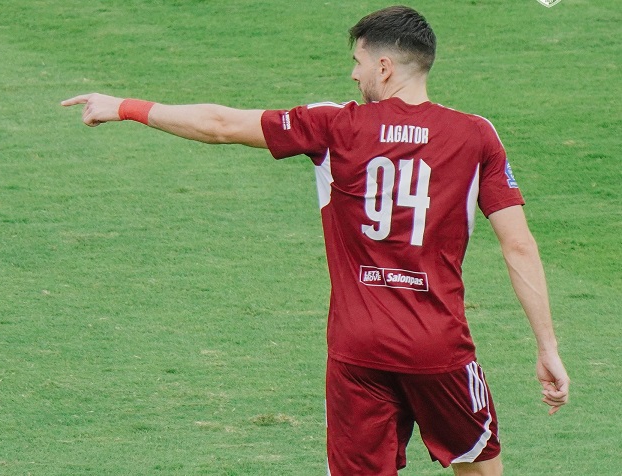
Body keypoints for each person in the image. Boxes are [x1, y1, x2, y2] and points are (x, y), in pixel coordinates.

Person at [62, 5, 569, 475]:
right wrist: (547, 347)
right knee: (478, 462)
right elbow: (518, 246)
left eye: (358, 62)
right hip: (437, 346)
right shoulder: (475, 136)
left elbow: (220, 125)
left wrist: (124, 106)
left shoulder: (335, 125)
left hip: (357, 348)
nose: (354, 75)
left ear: (384, 67)